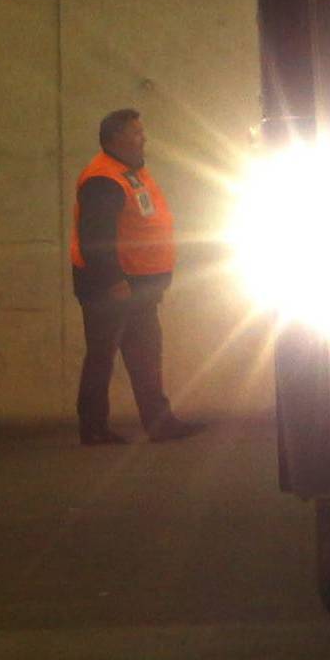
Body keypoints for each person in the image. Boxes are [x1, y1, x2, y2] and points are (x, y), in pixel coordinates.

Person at [70, 108, 198, 446]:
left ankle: (160, 423)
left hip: (139, 284)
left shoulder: (130, 173)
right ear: (115, 139)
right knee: (102, 356)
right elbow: (96, 237)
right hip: (112, 287)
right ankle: (93, 427)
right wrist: (114, 282)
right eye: (136, 133)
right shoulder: (104, 179)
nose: (144, 138)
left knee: (145, 356)